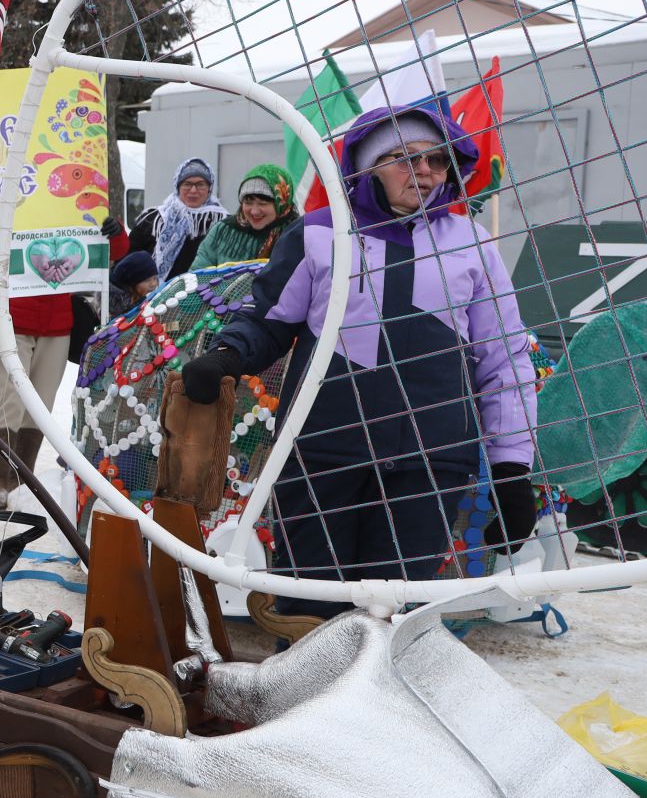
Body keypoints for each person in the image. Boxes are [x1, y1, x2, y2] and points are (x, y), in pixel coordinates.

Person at [182, 105, 540, 625]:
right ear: (369, 166)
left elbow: (503, 360)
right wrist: (225, 356)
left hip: (430, 458)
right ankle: (306, 700)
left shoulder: (473, 246)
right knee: (310, 607)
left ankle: (376, 705)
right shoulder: (317, 234)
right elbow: (269, 320)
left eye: (437, 161)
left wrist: (511, 470)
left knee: (389, 613)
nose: (424, 172)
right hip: (323, 450)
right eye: (404, 159)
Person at [0, 216, 128, 508]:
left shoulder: (74, 208)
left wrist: (115, 232)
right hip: (13, 322)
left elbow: (113, 252)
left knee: (40, 405)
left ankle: (21, 478)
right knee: (11, 401)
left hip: (57, 326)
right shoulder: (18, 211)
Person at [131, 156, 226, 281]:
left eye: (200, 184)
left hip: (203, 296)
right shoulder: (155, 219)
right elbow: (129, 257)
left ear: (209, 188)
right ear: (177, 186)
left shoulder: (223, 223)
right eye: (187, 184)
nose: (193, 190)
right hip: (153, 296)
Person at [192, 161, 297, 270]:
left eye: (263, 203)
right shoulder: (224, 231)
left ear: (282, 202)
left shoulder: (298, 235)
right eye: (248, 202)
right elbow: (197, 275)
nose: (254, 211)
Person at [108, 249, 159, 320]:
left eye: (154, 278)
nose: (153, 284)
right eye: (147, 280)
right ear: (131, 282)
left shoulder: (138, 296)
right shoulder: (117, 310)